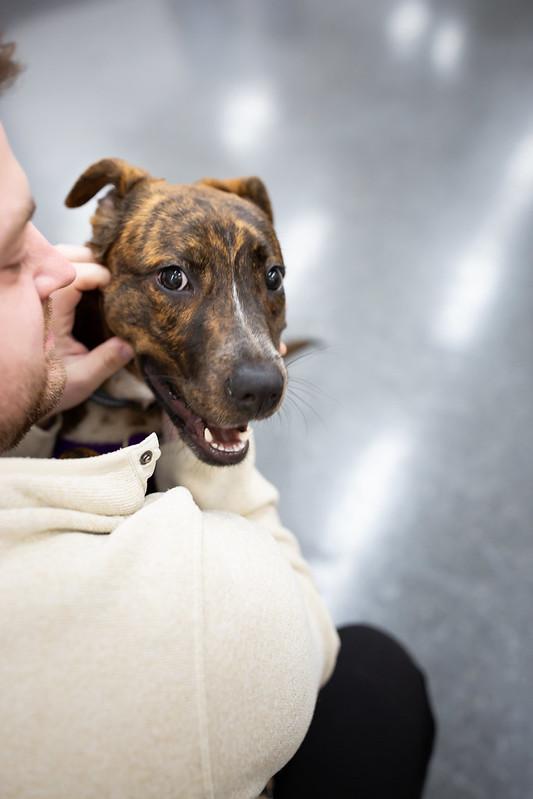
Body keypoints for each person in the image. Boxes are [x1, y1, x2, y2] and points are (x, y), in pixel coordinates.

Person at [0, 39, 435, 798]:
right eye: (174, 278)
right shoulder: (215, 620)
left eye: (267, 279)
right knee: (382, 673)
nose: (263, 361)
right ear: (105, 238)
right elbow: (313, 643)